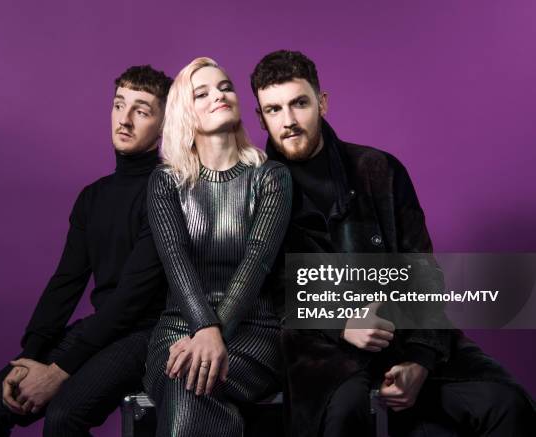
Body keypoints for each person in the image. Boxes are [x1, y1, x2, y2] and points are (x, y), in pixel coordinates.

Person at [250, 50, 535, 437]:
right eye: (273, 109)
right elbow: (270, 286)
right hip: (320, 348)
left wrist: (420, 358)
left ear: (322, 102)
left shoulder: (378, 169)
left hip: (403, 329)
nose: (289, 121)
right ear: (261, 116)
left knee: (506, 403)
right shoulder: (255, 190)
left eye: (299, 103)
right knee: (342, 417)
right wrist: (340, 322)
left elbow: (423, 269)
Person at [0, 65, 172, 436]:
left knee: (63, 417)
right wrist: (31, 354)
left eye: (141, 111)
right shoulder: (92, 197)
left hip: (147, 334)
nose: (123, 120)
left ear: (163, 124)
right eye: (118, 105)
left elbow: (131, 300)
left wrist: (60, 369)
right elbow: (66, 281)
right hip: (101, 326)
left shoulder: (165, 190)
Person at [143, 57, 292, 437]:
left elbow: (257, 261)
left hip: (254, 331)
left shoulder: (270, 177)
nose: (220, 95)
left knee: (192, 382)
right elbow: (175, 259)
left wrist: (214, 333)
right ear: (184, 111)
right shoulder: (166, 181)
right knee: (184, 376)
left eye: (225, 86)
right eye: (202, 92)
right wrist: (202, 328)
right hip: (179, 328)